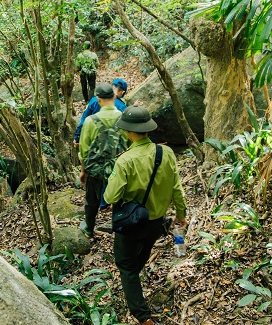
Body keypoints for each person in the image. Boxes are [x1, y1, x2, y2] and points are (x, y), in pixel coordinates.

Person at [104, 106, 187, 325]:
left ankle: (142, 317)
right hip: (156, 222)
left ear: (128, 132)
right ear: (148, 129)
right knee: (142, 250)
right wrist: (181, 214)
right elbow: (177, 188)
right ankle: (134, 284)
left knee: (126, 265)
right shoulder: (166, 153)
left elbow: (112, 197)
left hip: (132, 223)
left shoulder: (125, 161)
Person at [78, 83, 128, 238]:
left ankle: (89, 228)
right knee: (119, 199)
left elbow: (84, 150)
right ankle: (119, 229)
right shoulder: (123, 117)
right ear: (114, 96)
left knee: (92, 200)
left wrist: (83, 170)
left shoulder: (90, 121)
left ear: (98, 99)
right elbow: (129, 142)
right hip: (118, 167)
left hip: (96, 169)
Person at [73, 78, 128, 148]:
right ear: (122, 92)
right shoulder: (123, 107)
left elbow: (83, 120)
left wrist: (77, 137)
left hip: (93, 146)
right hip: (114, 148)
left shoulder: (94, 100)